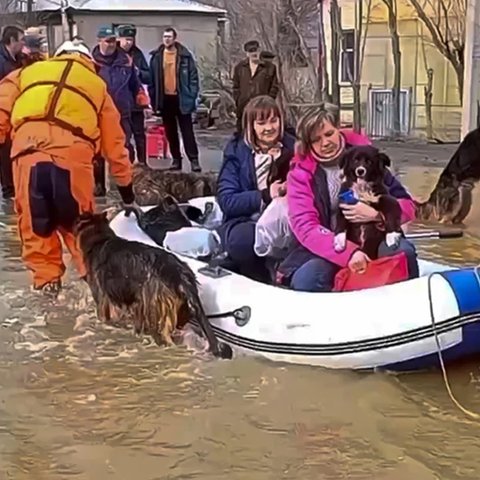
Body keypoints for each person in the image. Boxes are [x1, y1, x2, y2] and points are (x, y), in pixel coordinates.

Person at [0, 40, 136, 296]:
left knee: (37, 234)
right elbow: (116, 146)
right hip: (72, 161)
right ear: (89, 63)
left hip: (27, 158)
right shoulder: (97, 87)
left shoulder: (25, 74)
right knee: (84, 235)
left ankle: (49, 300)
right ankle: (99, 296)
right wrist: (127, 192)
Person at [277, 104, 418, 292]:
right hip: (328, 246)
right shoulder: (300, 174)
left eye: (329, 134)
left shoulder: (368, 158)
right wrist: (351, 253)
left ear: (338, 128)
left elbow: (407, 205)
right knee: (309, 278)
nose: (325, 143)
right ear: (308, 144)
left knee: (403, 253)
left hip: (376, 235)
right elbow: (306, 227)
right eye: (316, 140)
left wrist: (378, 216)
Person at [216, 95, 295, 282]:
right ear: (251, 126)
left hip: (289, 217)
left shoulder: (295, 146)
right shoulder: (236, 152)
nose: (269, 128)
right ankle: (259, 280)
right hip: (247, 220)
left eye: (273, 120)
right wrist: (266, 195)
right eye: (261, 123)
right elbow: (227, 200)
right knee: (242, 240)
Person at [92, 25, 148, 195]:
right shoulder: (91, 63)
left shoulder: (126, 61)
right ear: (100, 41)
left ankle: (126, 182)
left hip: (122, 112)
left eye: (113, 41)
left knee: (124, 149)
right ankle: (99, 184)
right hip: (99, 113)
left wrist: (141, 98)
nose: (111, 45)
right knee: (98, 151)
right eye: (107, 41)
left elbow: (135, 84)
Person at [149, 27, 201, 172]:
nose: (167, 39)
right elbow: (152, 80)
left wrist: (191, 96)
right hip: (165, 99)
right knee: (170, 132)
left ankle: (194, 160)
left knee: (187, 132)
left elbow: (193, 78)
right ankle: (176, 159)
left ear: (175, 38)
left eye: (169, 37)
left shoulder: (185, 56)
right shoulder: (157, 57)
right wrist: (154, 101)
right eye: (165, 37)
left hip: (182, 98)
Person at [118, 24, 151, 165]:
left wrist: (138, 72)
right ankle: (127, 163)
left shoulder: (137, 54)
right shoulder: (115, 55)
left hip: (136, 102)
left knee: (139, 135)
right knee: (124, 136)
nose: (128, 43)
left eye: (131, 39)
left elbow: (148, 76)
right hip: (121, 102)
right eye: (126, 39)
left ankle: (143, 162)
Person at [232, 40, 279, 134]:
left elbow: (274, 86)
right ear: (247, 53)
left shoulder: (270, 67)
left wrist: (268, 100)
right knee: (243, 133)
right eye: (251, 51)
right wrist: (238, 100)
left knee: (260, 132)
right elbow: (235, 86)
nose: (254, 53)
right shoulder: (240, 68)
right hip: (244, 107)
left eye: (256, 50)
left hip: (262, 107)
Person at [0, 26, 24, 200]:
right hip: (3, 111)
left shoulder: (18, 59)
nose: (23, 43)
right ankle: (9, 191)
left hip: (17, 112)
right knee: (4, 151)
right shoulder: (2, 61)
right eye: (20, 39)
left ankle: (13, 188)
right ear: (12, 41)